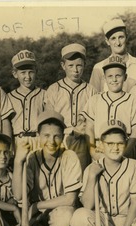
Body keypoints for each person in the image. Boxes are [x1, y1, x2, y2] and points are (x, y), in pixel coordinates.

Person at [13, 110, 83, 226]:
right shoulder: (31, 158)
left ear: (63, 137)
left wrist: (37, 205)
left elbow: (70, 199)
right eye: (46, 135)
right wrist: (18, 162)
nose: (51, 141)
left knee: (64, 216)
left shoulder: (69, 156)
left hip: (62, 213)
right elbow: (18, 195)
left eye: (56, 136)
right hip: (39, 219)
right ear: (38, 135)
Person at [81, 56, 136, 162]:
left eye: (118, 75)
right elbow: (89, 128)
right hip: (101, 148)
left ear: (125, 77)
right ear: (104, 78)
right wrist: (92, 151)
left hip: (124, 147)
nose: (114, 79)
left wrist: (126, 151)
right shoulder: (95, 99)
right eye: (110, 76)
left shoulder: (132, 100)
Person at [44, 43, 97, 171]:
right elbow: (49, 120)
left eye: (79, 65)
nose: (75, 70)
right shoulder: (53, 89)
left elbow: (94, 119)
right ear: (63, 66)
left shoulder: (91, 90)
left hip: (82, 140)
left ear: (84, 64)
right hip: (60, 139)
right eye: (71, 66)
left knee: (81, 176)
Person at [89, 18, 136, 93]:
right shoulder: (98, 68)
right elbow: (93, 97)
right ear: (107, 41)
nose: (118, 43)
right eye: (113, 38)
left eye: (121, 37)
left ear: (126, 37)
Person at [8, 49, 45, 151]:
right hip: (17, 141)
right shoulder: (8, 97)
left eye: (31, 72)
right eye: (23, 72)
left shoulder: (44, 95)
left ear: (36, 72)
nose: (27, 77)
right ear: (15, 74)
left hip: (38, 141)